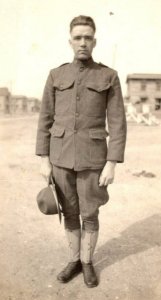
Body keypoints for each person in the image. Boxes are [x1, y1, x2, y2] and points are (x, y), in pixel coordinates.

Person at [36, 15, 127, 288]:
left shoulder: (108, 76)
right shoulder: (56, 75)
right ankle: (74, 259)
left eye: (88, 37)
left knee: (90, 213)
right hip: (60, 157)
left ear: (95, 41)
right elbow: (45, 119)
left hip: (93, 159)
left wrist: (112, 162)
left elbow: (118, 122)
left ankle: (87, 262)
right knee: (69, 211)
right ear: (70, 41)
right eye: (78, 37)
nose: (83, 42)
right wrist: (44, 159)